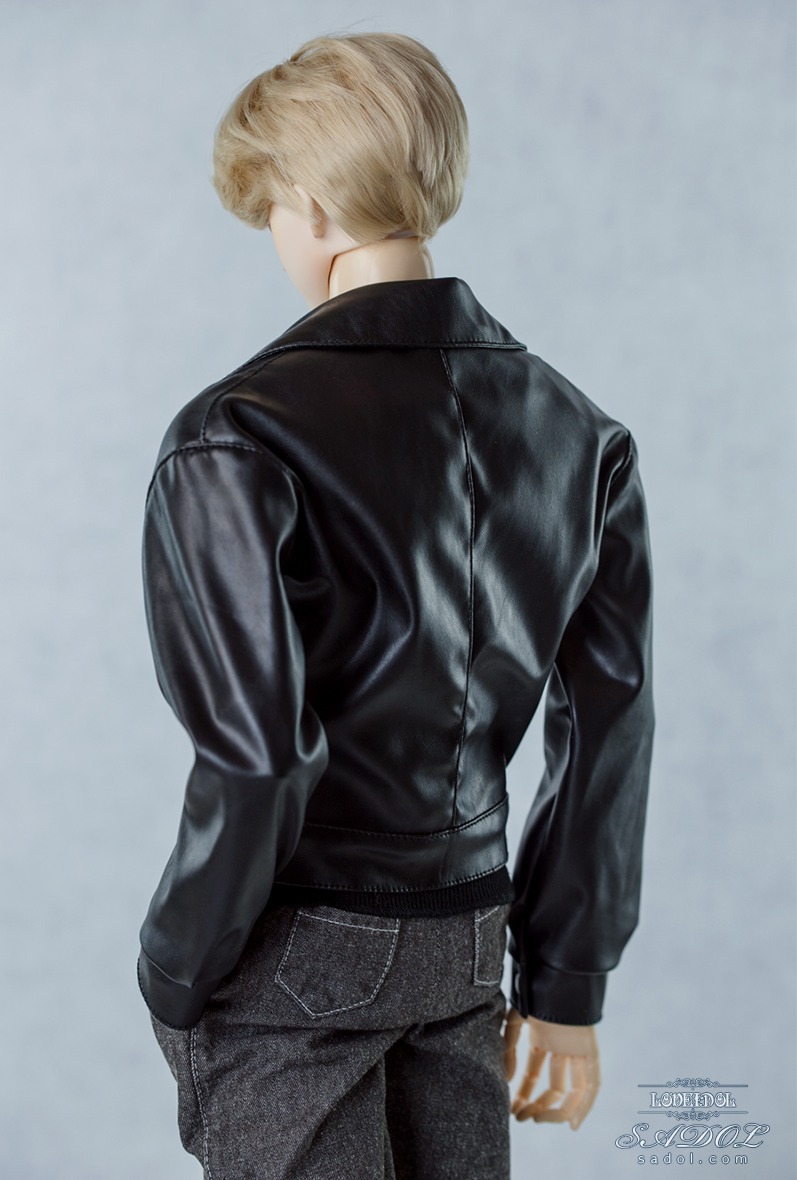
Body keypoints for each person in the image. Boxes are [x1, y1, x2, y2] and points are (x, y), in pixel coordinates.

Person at [137, 30, 655, 1180]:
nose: (277, 238)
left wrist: (174, 965)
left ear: (314, 202)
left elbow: (261, 758)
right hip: (468, 941)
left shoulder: (235, 435)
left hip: (295, 946)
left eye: (272, 208)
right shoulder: (581, 437)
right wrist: (565, 983)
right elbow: (607, 726)